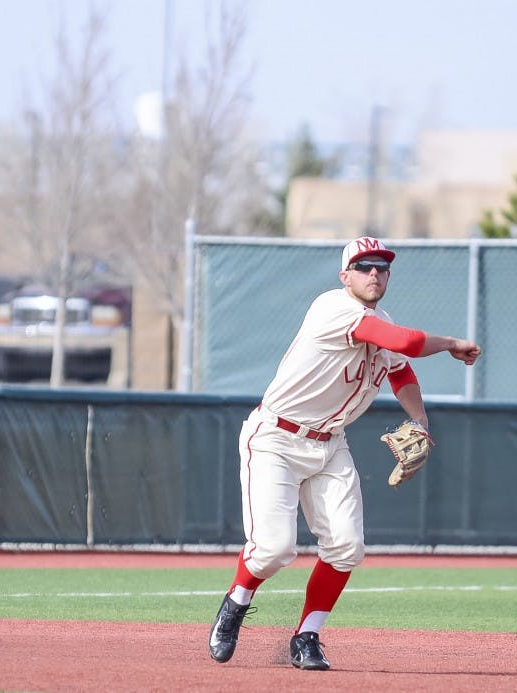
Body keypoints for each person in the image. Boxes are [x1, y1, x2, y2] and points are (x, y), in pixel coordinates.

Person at [208, 236, 481, 671]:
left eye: (382, 267)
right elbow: (406, 344)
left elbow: (401, 369)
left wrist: (421, 423)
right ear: (345, 275)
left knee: (347, 546)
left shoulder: (381, 318)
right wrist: (450, 343)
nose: (374, 273)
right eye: (363, 266)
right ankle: (237, 602)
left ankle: (307, 636)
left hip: (330, 443)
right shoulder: (332, 308)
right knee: (274, 549)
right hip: (276, 438)